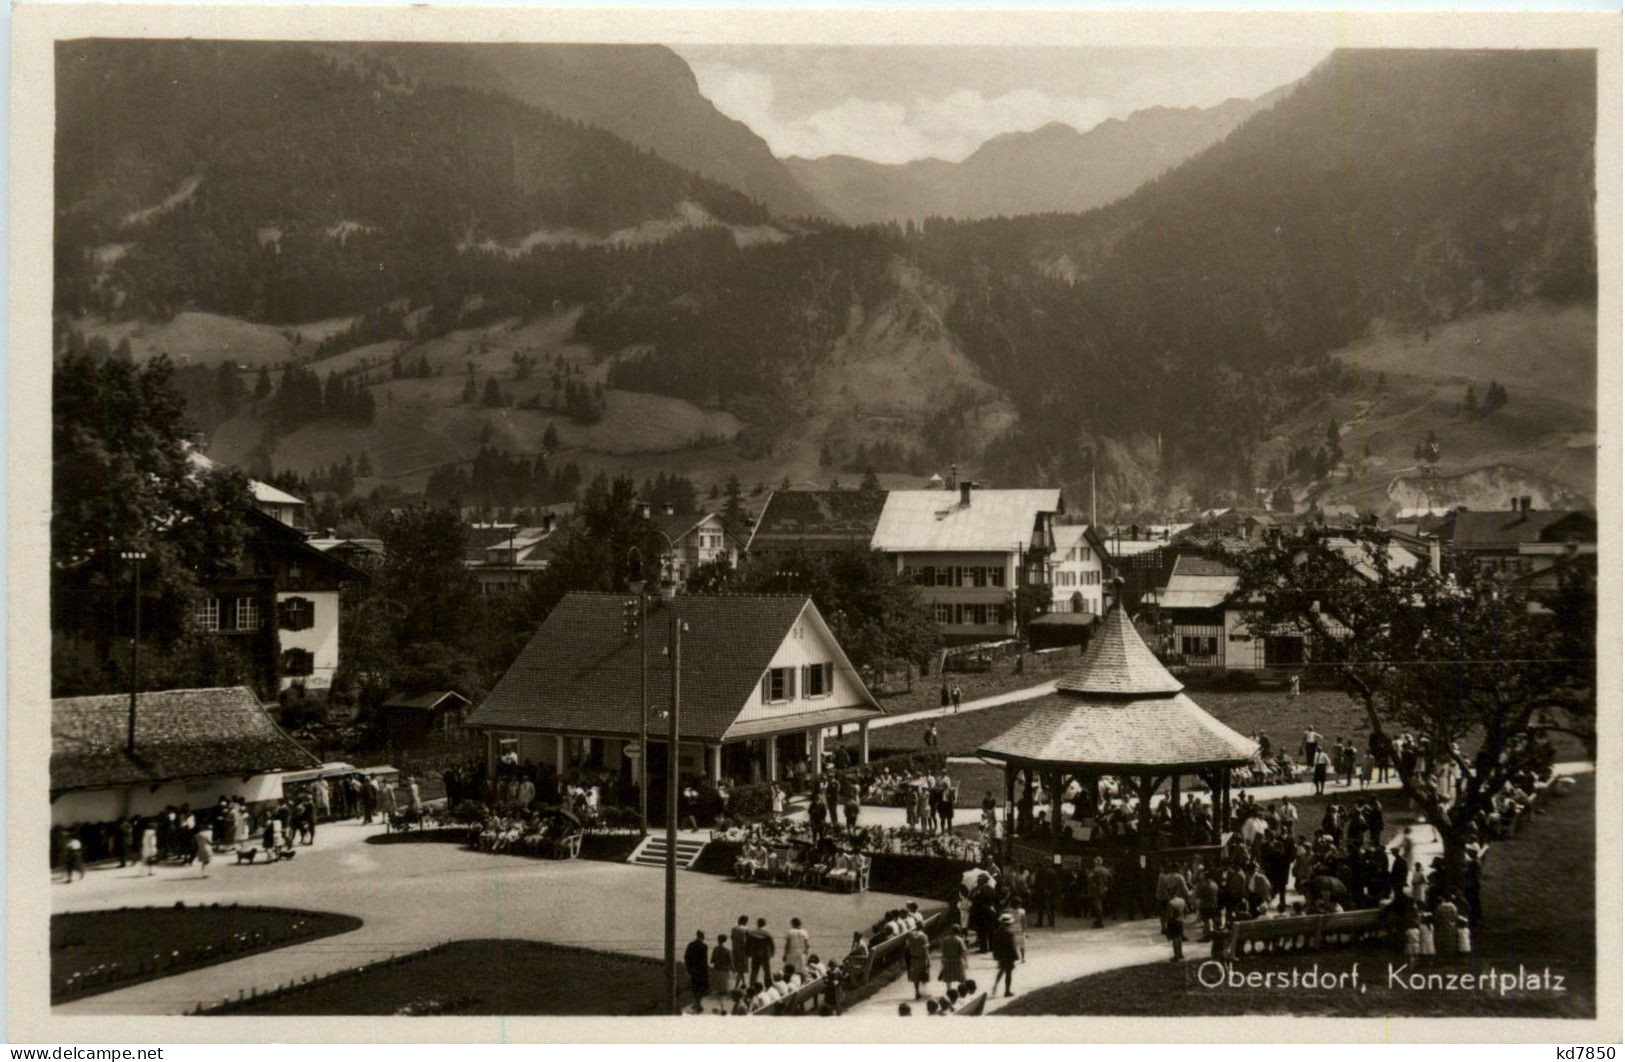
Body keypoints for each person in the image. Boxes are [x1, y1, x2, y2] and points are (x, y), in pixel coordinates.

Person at [990, 913, 1020, 997]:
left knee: (1001, 970)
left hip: (1000, 955)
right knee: (1008, 973)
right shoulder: (1009, 933)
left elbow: (994, 945)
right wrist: (1016, 956)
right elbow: (1012, 946)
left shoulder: (997, 932)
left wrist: (995, 955)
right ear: (1009, 924)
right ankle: (1007, 991)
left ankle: (995, 984)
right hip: (1008, 955)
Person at [684, 930, 709, 1013]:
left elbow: (686, 957)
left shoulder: (691, 945)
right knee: (702, 987)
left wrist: (689, 968)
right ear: (702, 936)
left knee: (695, 987)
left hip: (693, 969)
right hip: (701, 970)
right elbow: (704, 960)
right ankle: (698, 1003)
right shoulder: (704, 946)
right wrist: (706, 970)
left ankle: (697, 1002)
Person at [905, 921, 931, 999]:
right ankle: (924, 992)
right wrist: (928, 960)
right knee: (924, 974)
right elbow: (925, 950)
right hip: (922, 958)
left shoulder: (910, 935)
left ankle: (917, 992)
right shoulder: (924, 936)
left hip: (913, 958)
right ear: (922, 927)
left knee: (915, 977)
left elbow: (908, 946)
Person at [747, 918, 776, 989]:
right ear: (765, 924)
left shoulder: (752, 932)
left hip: (755, 955)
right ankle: (768, 987)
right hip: (765, 955)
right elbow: (772, 944)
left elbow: (748, 944)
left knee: (754, 972)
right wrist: (772, 953)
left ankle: (751, 986)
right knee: (767, 972)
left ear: (757, 923)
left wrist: (748, 953)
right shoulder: (767, 933)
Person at [1164, 893, 1189, 961]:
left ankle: (1176, 956)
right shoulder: (1182, 900)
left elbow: (1169, 915)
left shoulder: (1171, 903)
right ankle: (1181, 954)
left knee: (1174, 938)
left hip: (1173, 922)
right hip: (1181, 921)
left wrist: (1165, 924)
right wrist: (1183, 917)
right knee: (1179, 937)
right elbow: (1187, 911)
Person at [730, 916, 750, 983]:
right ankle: (736, 987)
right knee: (741, 969)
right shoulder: (746, 929)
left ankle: (743, 983)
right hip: (743, 951)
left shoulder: (733, 929)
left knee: (738, 969)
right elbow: (748, 941)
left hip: (735, 950)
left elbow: (732, 939)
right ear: (744, 921)